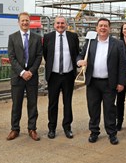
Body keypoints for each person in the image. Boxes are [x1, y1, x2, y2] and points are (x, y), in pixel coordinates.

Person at [77, 18, 126, 145]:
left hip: (109, 83)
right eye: (100, 26)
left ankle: (112, 133)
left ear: (109, 28)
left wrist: (121, 82)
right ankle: (94, 132)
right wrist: (79, 62)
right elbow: (80, 55)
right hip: (93, 82)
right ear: (96, 28)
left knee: (110, 109)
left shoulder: (117, 44)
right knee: (93, 109)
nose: (103, 28)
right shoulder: (90, 43)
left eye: (105, 26)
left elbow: (122, 65)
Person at [7, 12, 43, 141]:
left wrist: (31, 72)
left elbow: (39, 56)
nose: (25, 23)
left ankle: (32, 129)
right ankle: (14, 129)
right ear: (19, 22)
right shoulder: (12, 37)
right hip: (18, 77)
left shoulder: (37, 38)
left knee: (32, 104)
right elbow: (11, 57)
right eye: (22, 21)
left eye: (27, 20)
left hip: (32, 77)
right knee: (16, 104)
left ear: (30, 22)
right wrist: (22, 72)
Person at [43, 16, 80, 139]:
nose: (60, 25)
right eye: (58, 23)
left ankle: (67, 127)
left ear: (66, 24)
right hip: (53, 76)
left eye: (62, 23)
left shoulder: (73, 37)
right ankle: (52, 128)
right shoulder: (48, 37)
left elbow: (77, 52)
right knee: (52, 103)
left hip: (68, 75)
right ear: (54, 25)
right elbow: (46, 54)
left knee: (67, 103)